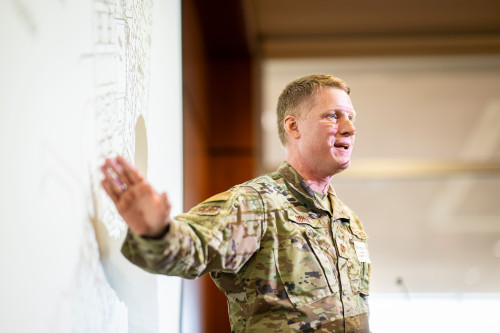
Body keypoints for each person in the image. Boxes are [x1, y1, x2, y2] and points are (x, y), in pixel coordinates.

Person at [101, 74, 370, 332]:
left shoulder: (349, 222)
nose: (349, 127)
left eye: (350, 117)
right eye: (333, 116)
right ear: (293, 126)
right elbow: (194, 247)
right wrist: (157, 231)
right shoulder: (258, 203)